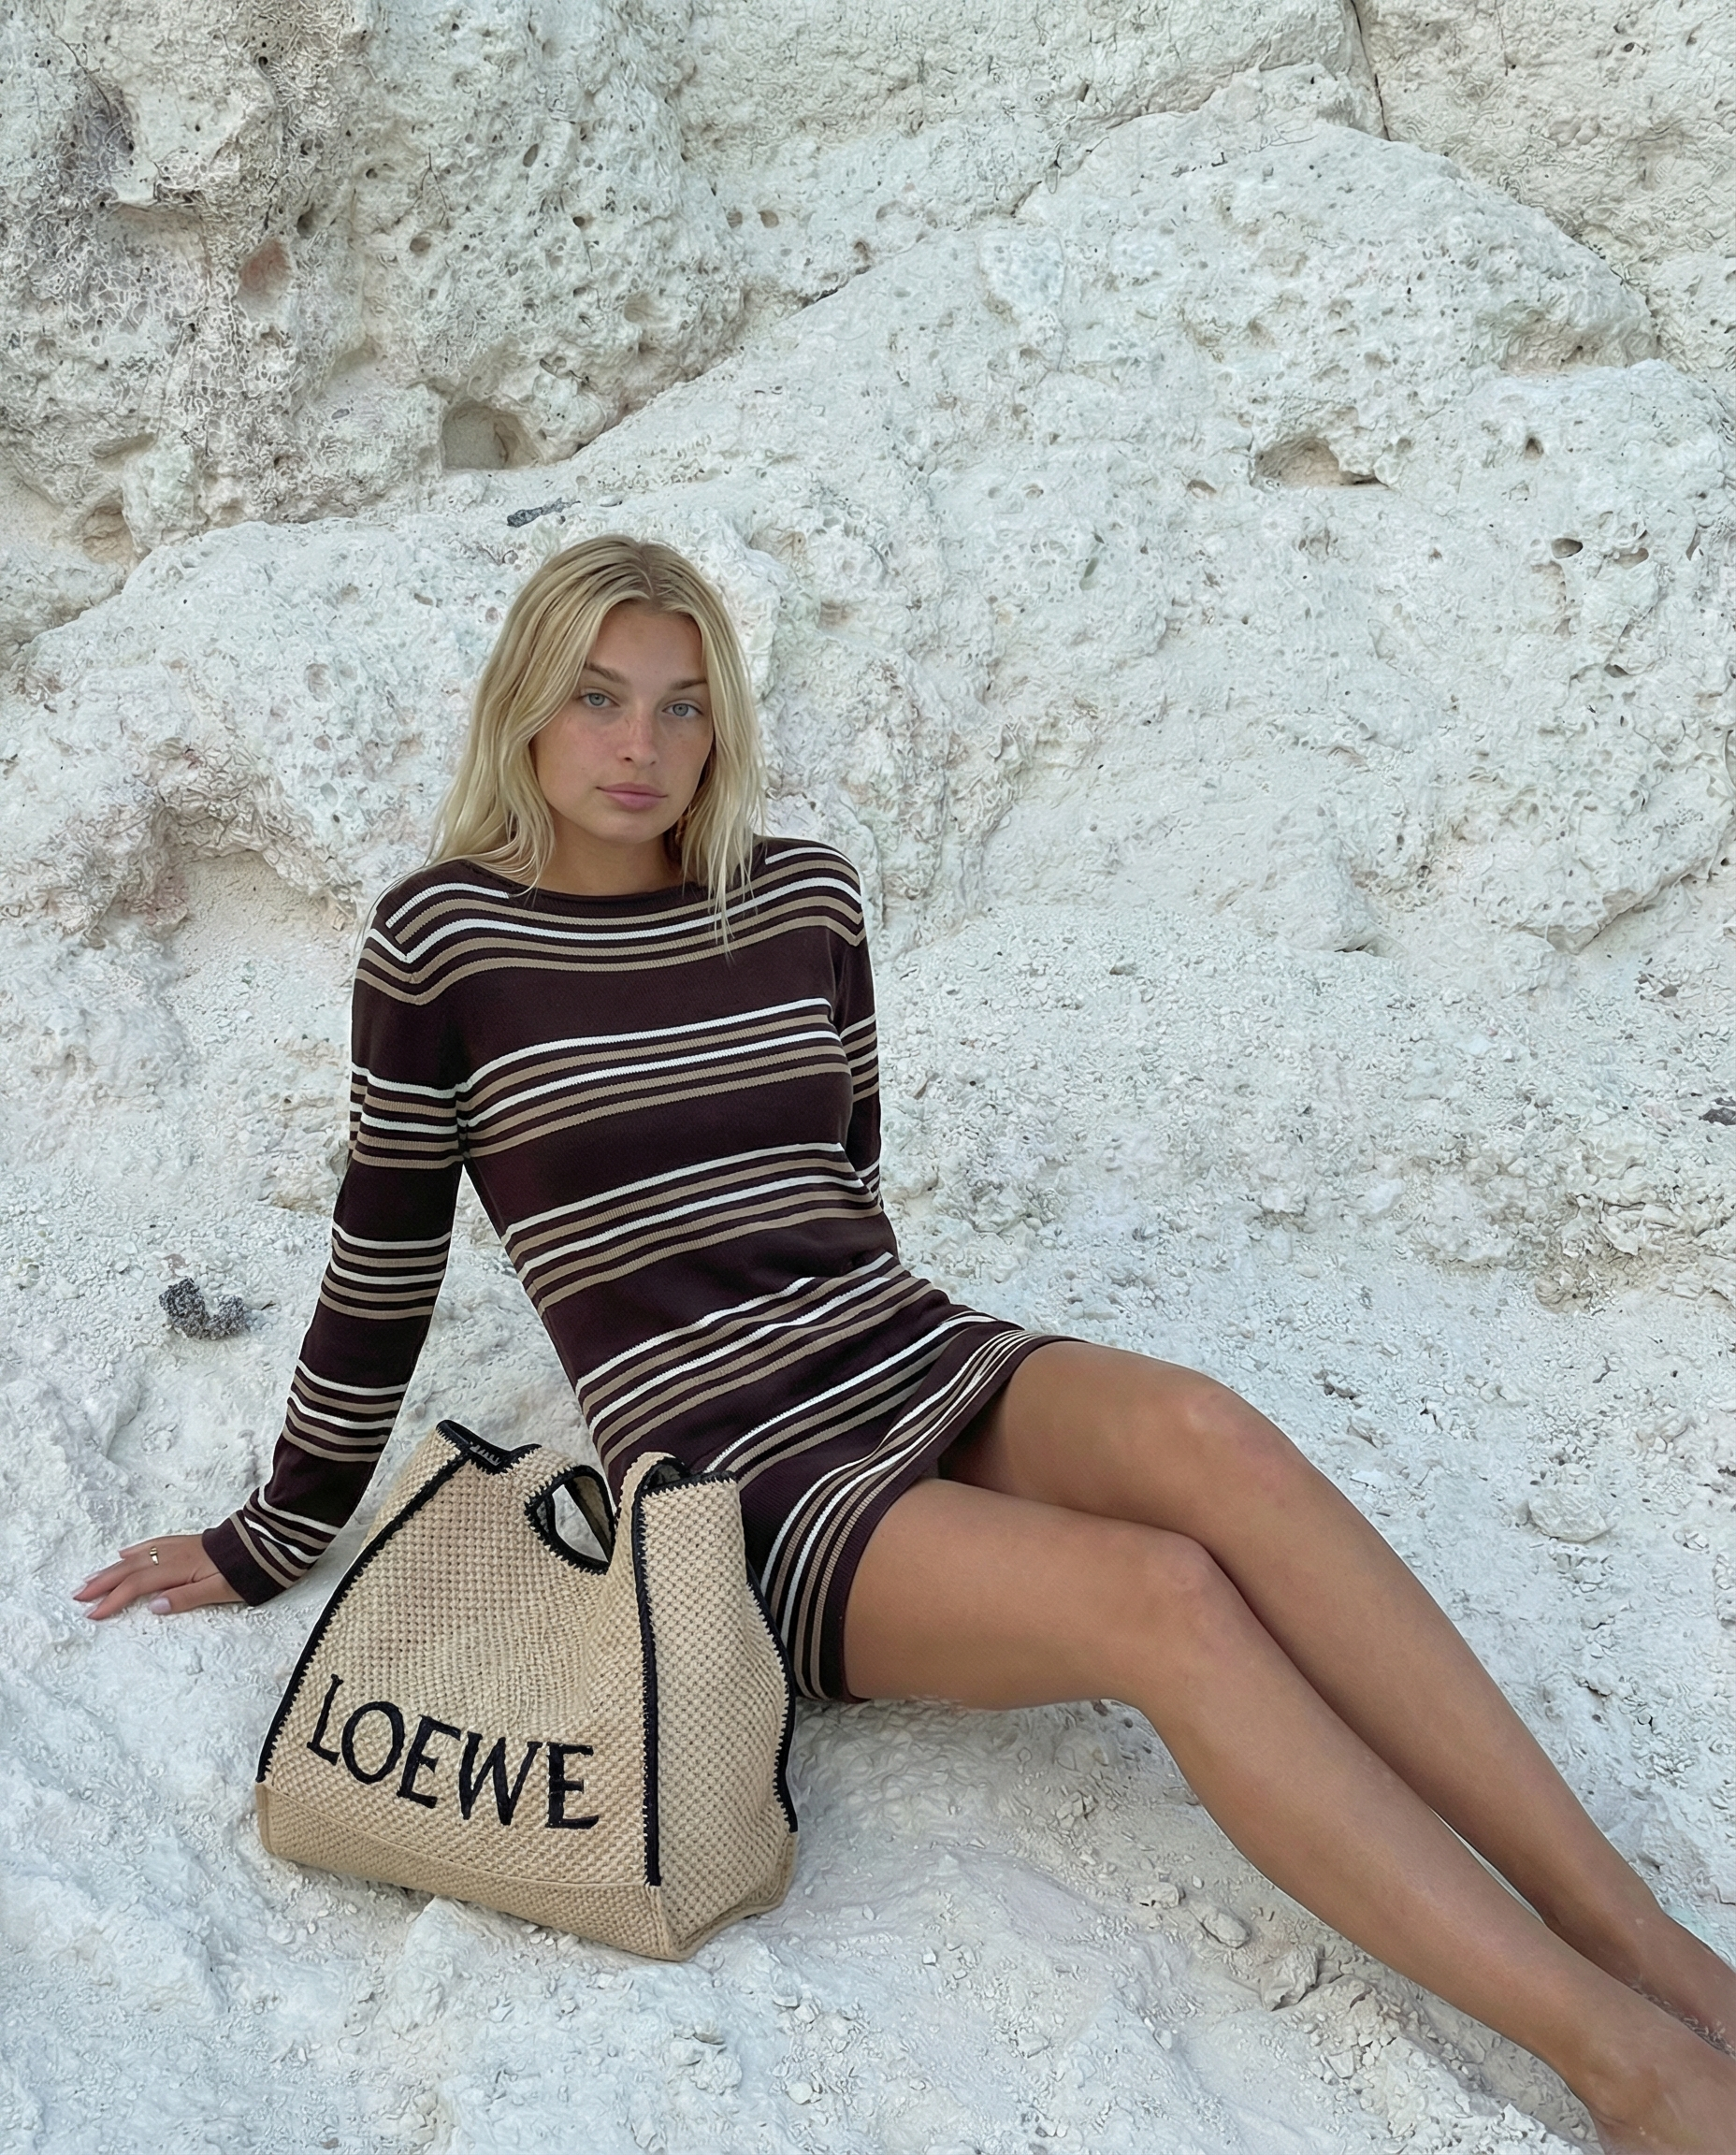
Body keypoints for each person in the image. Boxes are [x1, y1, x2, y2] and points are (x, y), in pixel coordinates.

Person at [76, 535, 1736, 2150]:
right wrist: (277, 1526)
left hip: (900, 1346)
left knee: (1210, 1437)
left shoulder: (803, 896)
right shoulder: (446, 942)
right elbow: (384, 1261)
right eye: (598, 698)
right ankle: (1633, 2075)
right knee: (1164, 1599)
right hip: (733, 1471)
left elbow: (842, 1169)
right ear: (524, 706)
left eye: (680, 704)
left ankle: (1652, 1952)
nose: (641, 745)